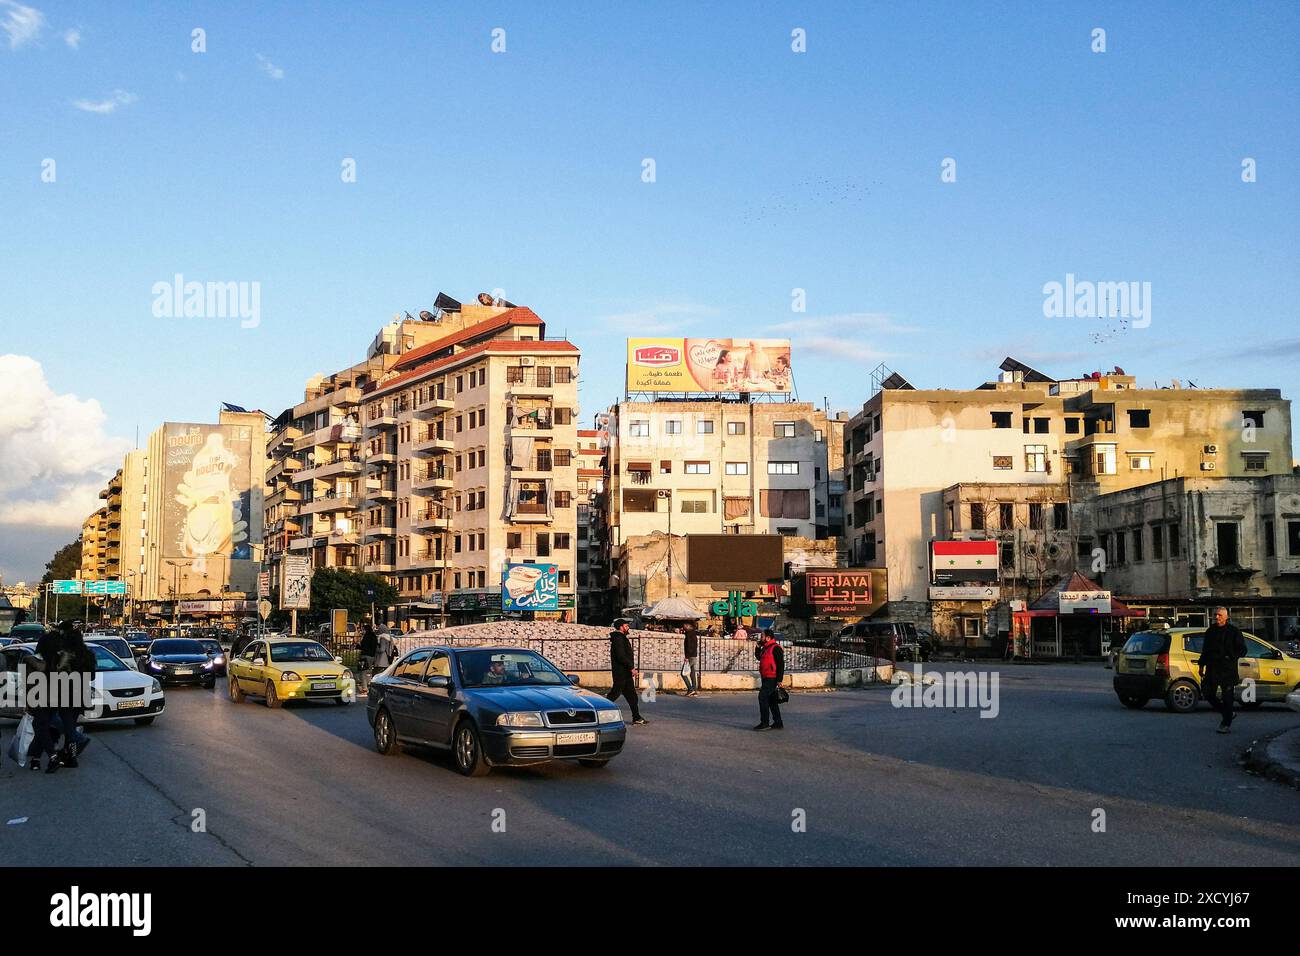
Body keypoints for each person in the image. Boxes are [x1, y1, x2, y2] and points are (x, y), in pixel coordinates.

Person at [1198, 606, 1247, 734]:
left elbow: (1242, 650)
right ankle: (1228, 713)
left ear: (1226, 617)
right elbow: (1205, 650)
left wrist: (1230, 656)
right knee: (1208, 694)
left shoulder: (1234, 632)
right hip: (1212, 668)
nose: (1216, 617)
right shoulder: (1210, 631)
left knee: (1227, 697)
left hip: (1228, 670)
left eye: (1219, 615)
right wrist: (1201, 665)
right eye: (1215, 614)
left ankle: (1225, 723)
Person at [606, 619, 646, 725]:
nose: (628, 627)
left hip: (625, 672)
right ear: (621, 627)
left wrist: (630, 668)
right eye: (626, 625)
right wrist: (631, 667)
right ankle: (598, 710)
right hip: (621, 673)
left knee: (632, 696)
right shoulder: (618, 638)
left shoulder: (621, 638)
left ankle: (636, 717)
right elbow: (621, 656)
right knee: (614, 695)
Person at [753, 628, 785, 731]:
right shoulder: (765, 648)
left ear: (768, 637)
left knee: (762, 697)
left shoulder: (776, 648)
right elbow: (759, 657)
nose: (760, 638)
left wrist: (779, 680)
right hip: (765, 676)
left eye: (762, 636)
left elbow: (780, 665)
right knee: (771, 700)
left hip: (772, 677)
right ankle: (778, 722)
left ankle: (764, 723)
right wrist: (757, 648)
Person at [358, 623, 378, 690]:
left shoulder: (366, 636)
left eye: (363, 630)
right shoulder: (374, 636)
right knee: (369, 671)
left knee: (363, 672)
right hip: (372, 656)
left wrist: (358, 646)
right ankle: (369, 685)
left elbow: (364, 646)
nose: (362, 631)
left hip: (365, 656)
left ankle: (364, 687)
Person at [682, 625, 700, 697]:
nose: (683, 627)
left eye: (684, 626)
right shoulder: (694, 634)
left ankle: (690, 689)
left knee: (683, 674)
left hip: (690, 657)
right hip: (694, 655)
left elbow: (689, 646)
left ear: (688, 626)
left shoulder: (689, 634)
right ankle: (694, 690)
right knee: (692, 673)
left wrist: (687, 657)